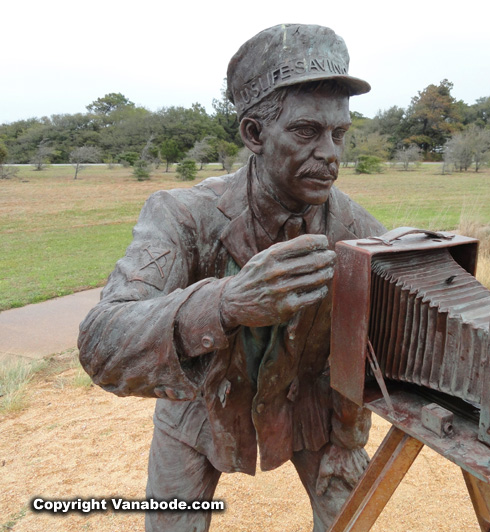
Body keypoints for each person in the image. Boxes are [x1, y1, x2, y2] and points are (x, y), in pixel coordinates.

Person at [78, 24, 385, 532]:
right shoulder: (180, 216)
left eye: (340, 134)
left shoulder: (353, 227)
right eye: (307, 132)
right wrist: (225, 303)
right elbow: (100, 341)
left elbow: (384, 337)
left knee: (351, 518)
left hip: (311, 409)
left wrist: (350, 436)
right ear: (253, 134)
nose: (331, 154)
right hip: (197, 412)